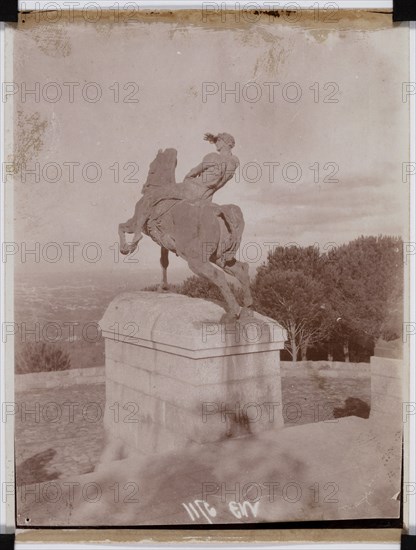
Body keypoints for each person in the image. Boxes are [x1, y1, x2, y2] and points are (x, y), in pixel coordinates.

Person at [121, 132, 240, 254]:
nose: (216, 143)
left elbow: (193, 172)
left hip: (190, 190)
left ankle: (137, 233)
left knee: (151, 196)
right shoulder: (233, 163)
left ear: (225, 142)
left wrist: (188, 177)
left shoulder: (213, 157)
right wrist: (214, 139)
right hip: (207, 196)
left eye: (218, 141)